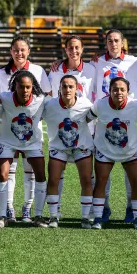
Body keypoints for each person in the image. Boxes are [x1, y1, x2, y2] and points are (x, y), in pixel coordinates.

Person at [0, 35, 51, 223]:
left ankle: (29, 209)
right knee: (7, 172)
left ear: (28, 51)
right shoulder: (2, 74)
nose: (19, 53)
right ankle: (7, 209)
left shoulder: (38, 71)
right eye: (16, 50)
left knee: (32, 172)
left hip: (32, 134)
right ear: (11, 51)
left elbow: (47, 96)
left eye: (23, 49)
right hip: (8, 132)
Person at [48, 34, 96, 219]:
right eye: (70, 47)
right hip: (61, 130)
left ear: (82, 49)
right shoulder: (56, 70)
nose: (74, 51)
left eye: (77, 47)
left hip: (86, 128)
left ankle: (94, 211)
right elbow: (50, 95)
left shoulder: (92, 69)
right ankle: (56, 211)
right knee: (56, 176)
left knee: (89, 176)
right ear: (65, 49)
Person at [87, 77, 137, 230]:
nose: (118, 92)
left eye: (122, 89)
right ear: (109, 91)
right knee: (101, 182)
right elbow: (86, 118)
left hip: (129, 150)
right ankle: (98, 217)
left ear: (128, 92)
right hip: (105, 149)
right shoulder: (100, 104)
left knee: (135, 182)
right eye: (115, 89)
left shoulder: (136, 105)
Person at [43, 75, 94, 228]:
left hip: (81, 147)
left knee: (86, 180)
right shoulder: (49, 105)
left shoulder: (86, 104)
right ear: (59, 88)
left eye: (71, 86)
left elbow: (94, 117)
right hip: (58, 147)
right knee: (53, 180)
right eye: (64, 86)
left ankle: (85, 217)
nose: (67, 89)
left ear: (77, 89)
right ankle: (53, 216)